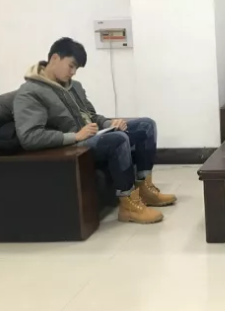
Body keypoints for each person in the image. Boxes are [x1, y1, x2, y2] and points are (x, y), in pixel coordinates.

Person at [13, 37, 175, 224]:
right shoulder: (30, 92)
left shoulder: (74, 87)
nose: (73, 73)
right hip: (72, 146)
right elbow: (30, 137)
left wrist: (108, 123)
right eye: (71, 66)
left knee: (146, 125)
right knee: (118, 140)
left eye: (76, 68)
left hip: (91, 135)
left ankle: (144, 189)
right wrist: (75, 136)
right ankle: (129, 206)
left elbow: (91, 115)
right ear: (55, 58)